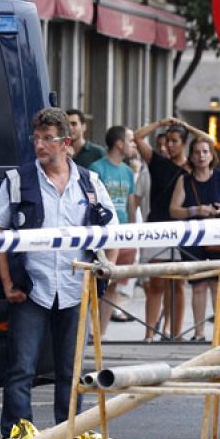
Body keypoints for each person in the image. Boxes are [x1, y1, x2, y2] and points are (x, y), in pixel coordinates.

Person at [0, 108, 116, 434]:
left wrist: (106, 270)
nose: (39, 145)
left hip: (76, 289)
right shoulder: (17, 181)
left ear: (66, 143)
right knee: (21, 369)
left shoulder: (89, 182)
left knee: (71, 373)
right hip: (31, 289)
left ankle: (68, 437)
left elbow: (112, 230)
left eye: (48, 139)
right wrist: (7, 283)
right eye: (36, 138)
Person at [133, 117, 214, 341]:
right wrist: (160, 123)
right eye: (167, 140)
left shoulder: (192, 167)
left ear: (184, 143)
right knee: (155, 283)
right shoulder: (157, 161)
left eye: (175, 140)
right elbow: (137, 137)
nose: (169, 145)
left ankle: (176, 333)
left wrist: (187, 126)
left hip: (182, 228)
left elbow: (209, 141)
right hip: (157, 226)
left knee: (177, 284)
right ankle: (149, 334)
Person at [169, 136, 220, 342]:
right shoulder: (184, 180)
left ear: (211, 155)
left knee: (218, 285)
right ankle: (199, 332)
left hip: (219, 235)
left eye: (205, 151)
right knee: (198, 285)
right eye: (197, 152)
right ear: (191, 156)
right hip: (194, 238)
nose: (201, 156)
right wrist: (195, 210)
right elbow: (174, 210)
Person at [88, 125, 138, 333]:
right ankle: (89, 330)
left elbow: (130, 204)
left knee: (114, 285)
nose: (134, 145)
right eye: (131, 140)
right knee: (96, 282)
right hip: (103, 235)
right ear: (119, 143)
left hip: (123, 235)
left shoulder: (128, 172)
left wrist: (133, 233)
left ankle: (101, 334)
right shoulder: (97, 168)